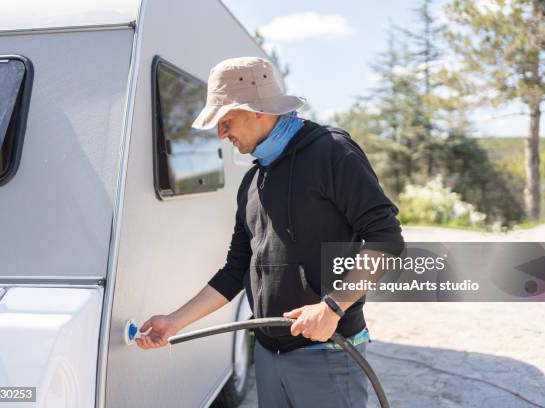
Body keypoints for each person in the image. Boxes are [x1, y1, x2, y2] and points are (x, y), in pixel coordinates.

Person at [136, 56, 403, 407]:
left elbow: (385, 236)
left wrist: (332, 308)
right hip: (267, 354)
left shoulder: (331, 151)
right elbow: (234, 271)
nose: (221, 133)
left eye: (226, 120)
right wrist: (173, 322)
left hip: (328, 353)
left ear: (257, 110)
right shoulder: (252, 181)